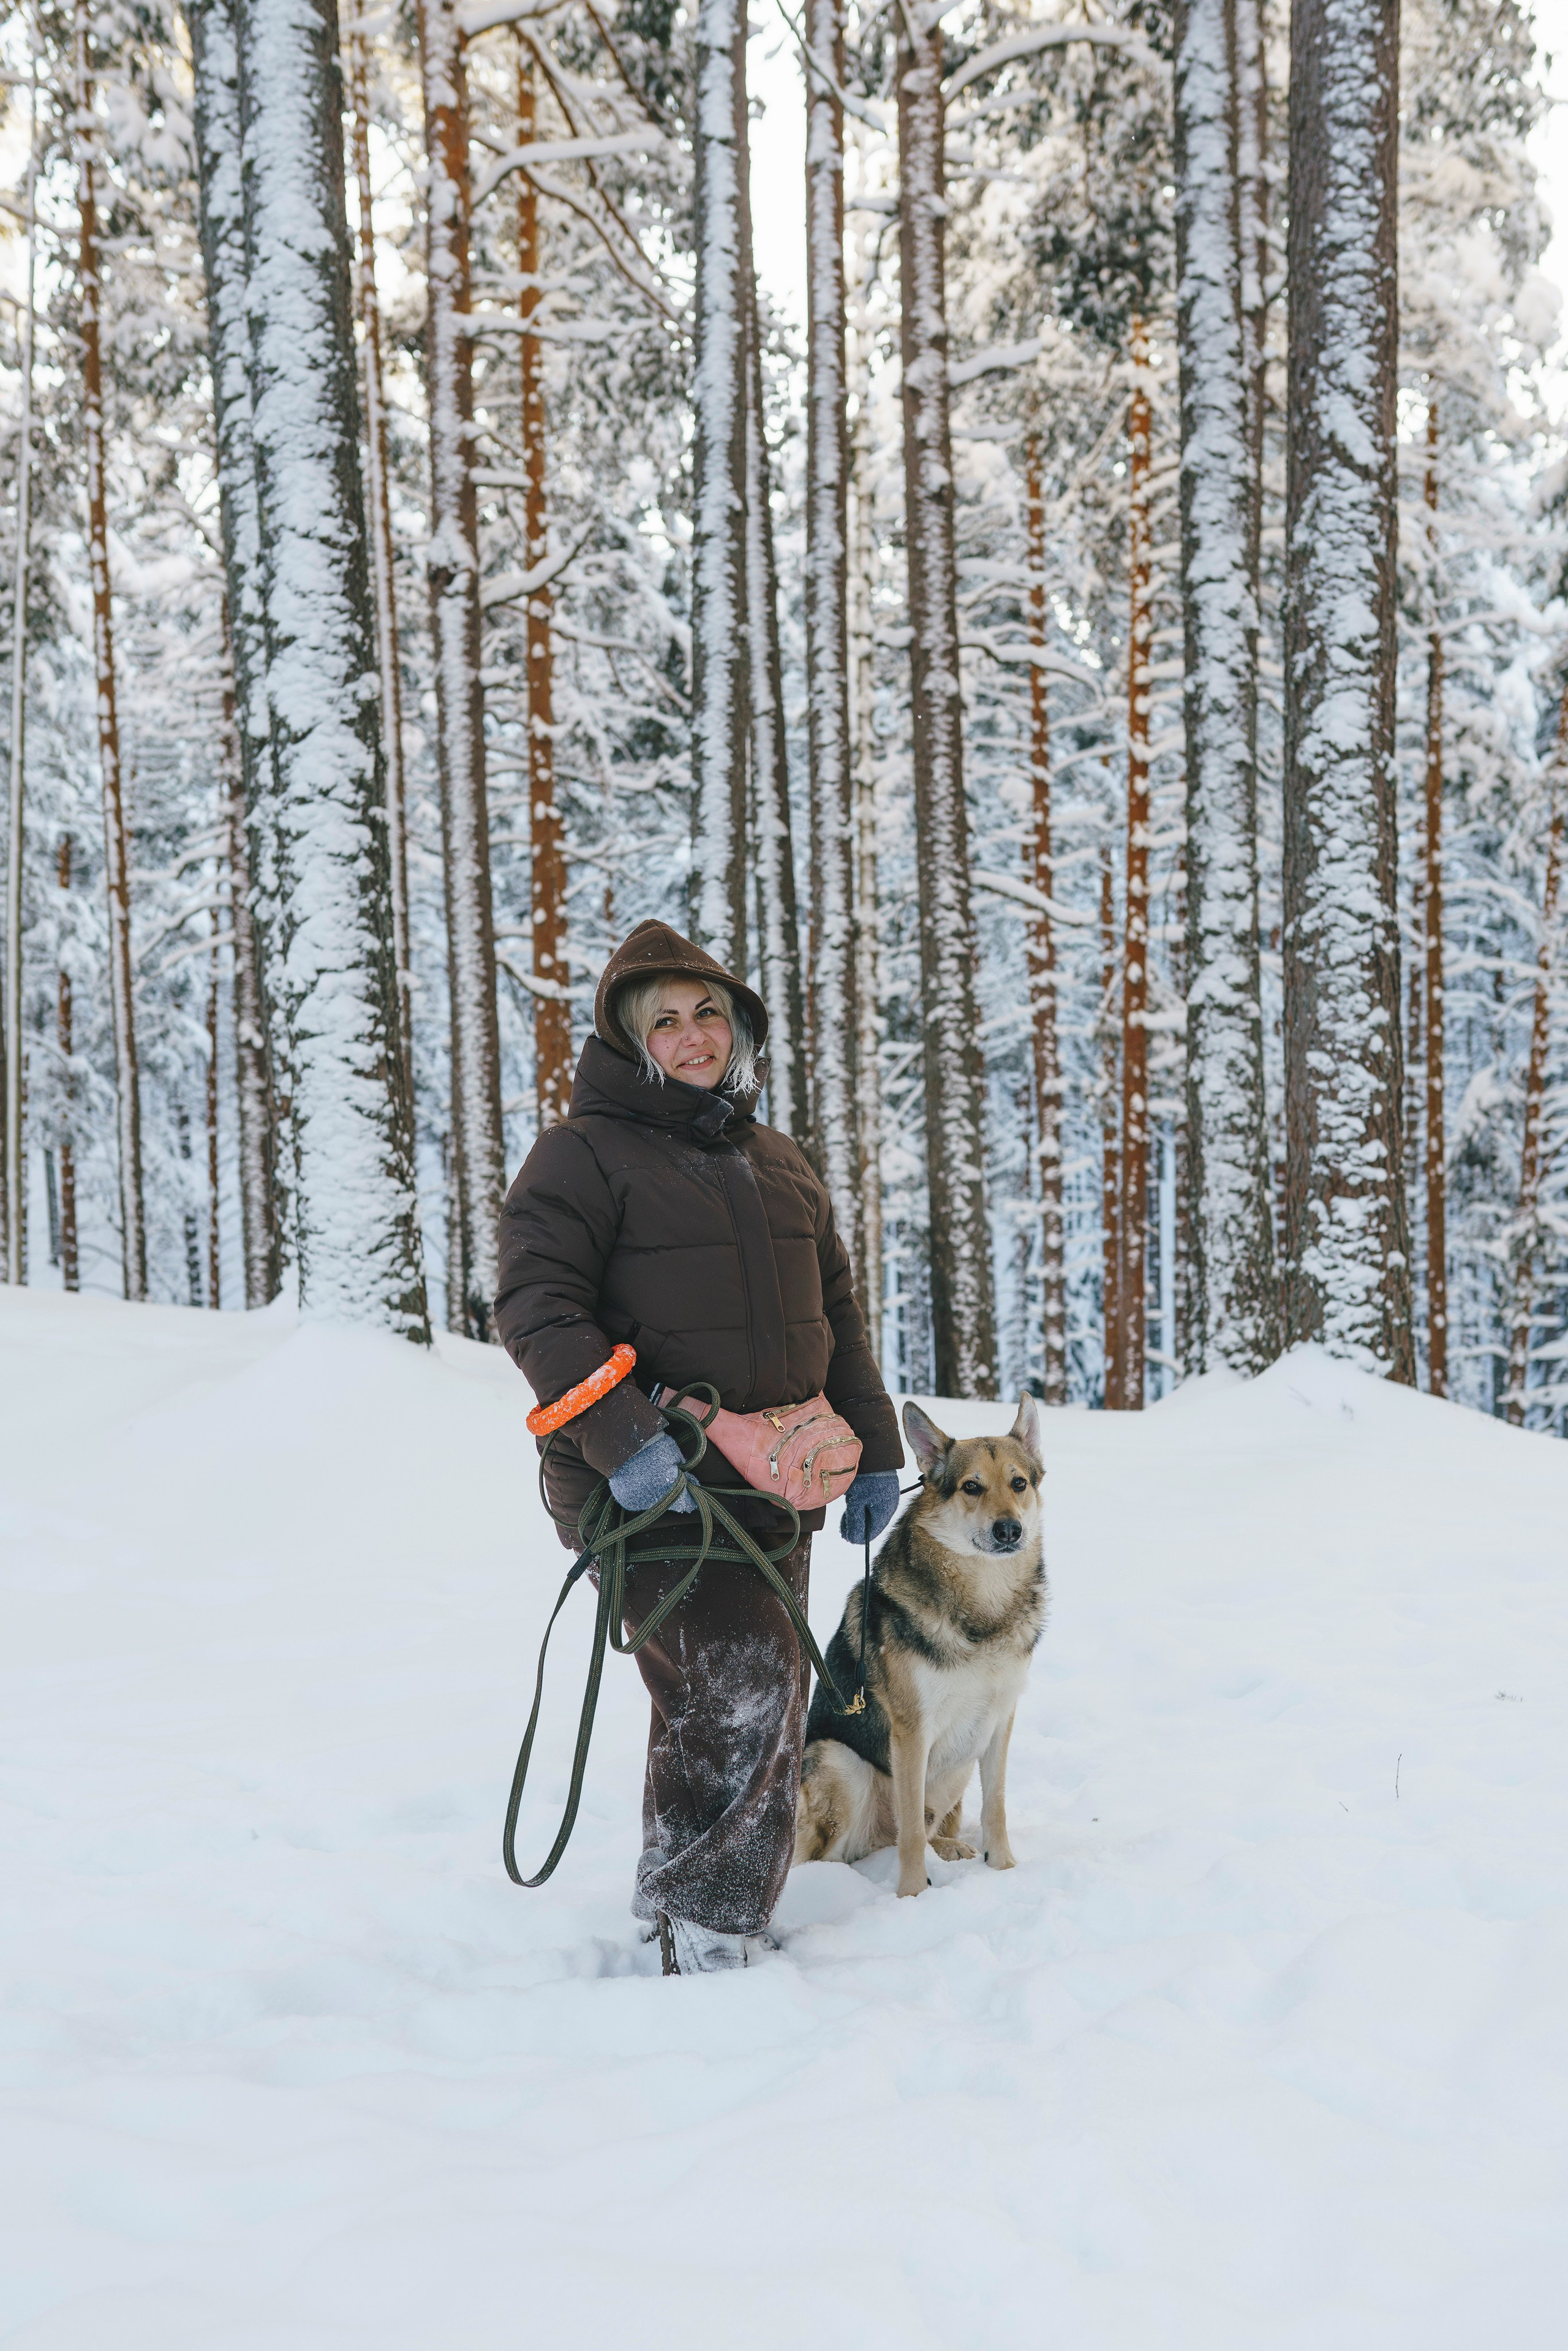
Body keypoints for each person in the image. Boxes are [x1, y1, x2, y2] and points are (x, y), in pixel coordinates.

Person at [496, 918, 902, 1972]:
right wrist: (628, 1441)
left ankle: (690, 1916)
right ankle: (713, 1932)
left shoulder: (778, 1159)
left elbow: (838, 1314)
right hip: (648, 1485)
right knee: (741, 1687)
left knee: (738, 1698)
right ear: (633, 1041)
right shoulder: (582, 1154)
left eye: (709, 1013)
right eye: (667, 1020)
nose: (694, 1036)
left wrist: (875, 1445)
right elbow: (538, 1306)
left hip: (777, 1481)